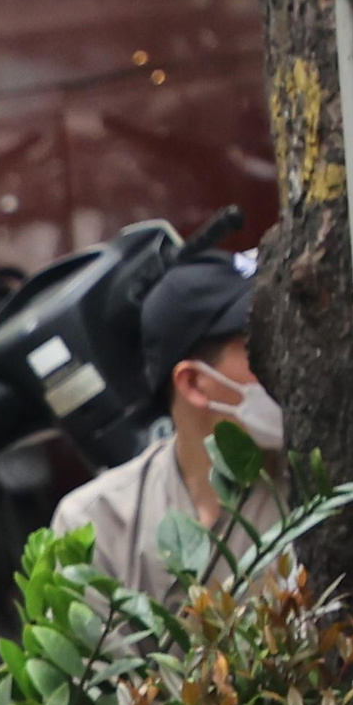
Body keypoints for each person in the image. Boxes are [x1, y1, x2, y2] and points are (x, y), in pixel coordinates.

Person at [49, 252, 285, 600]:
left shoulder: (318, 484)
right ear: (193, 383)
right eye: (261, 345)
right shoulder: (99, 523)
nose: (285, 359)